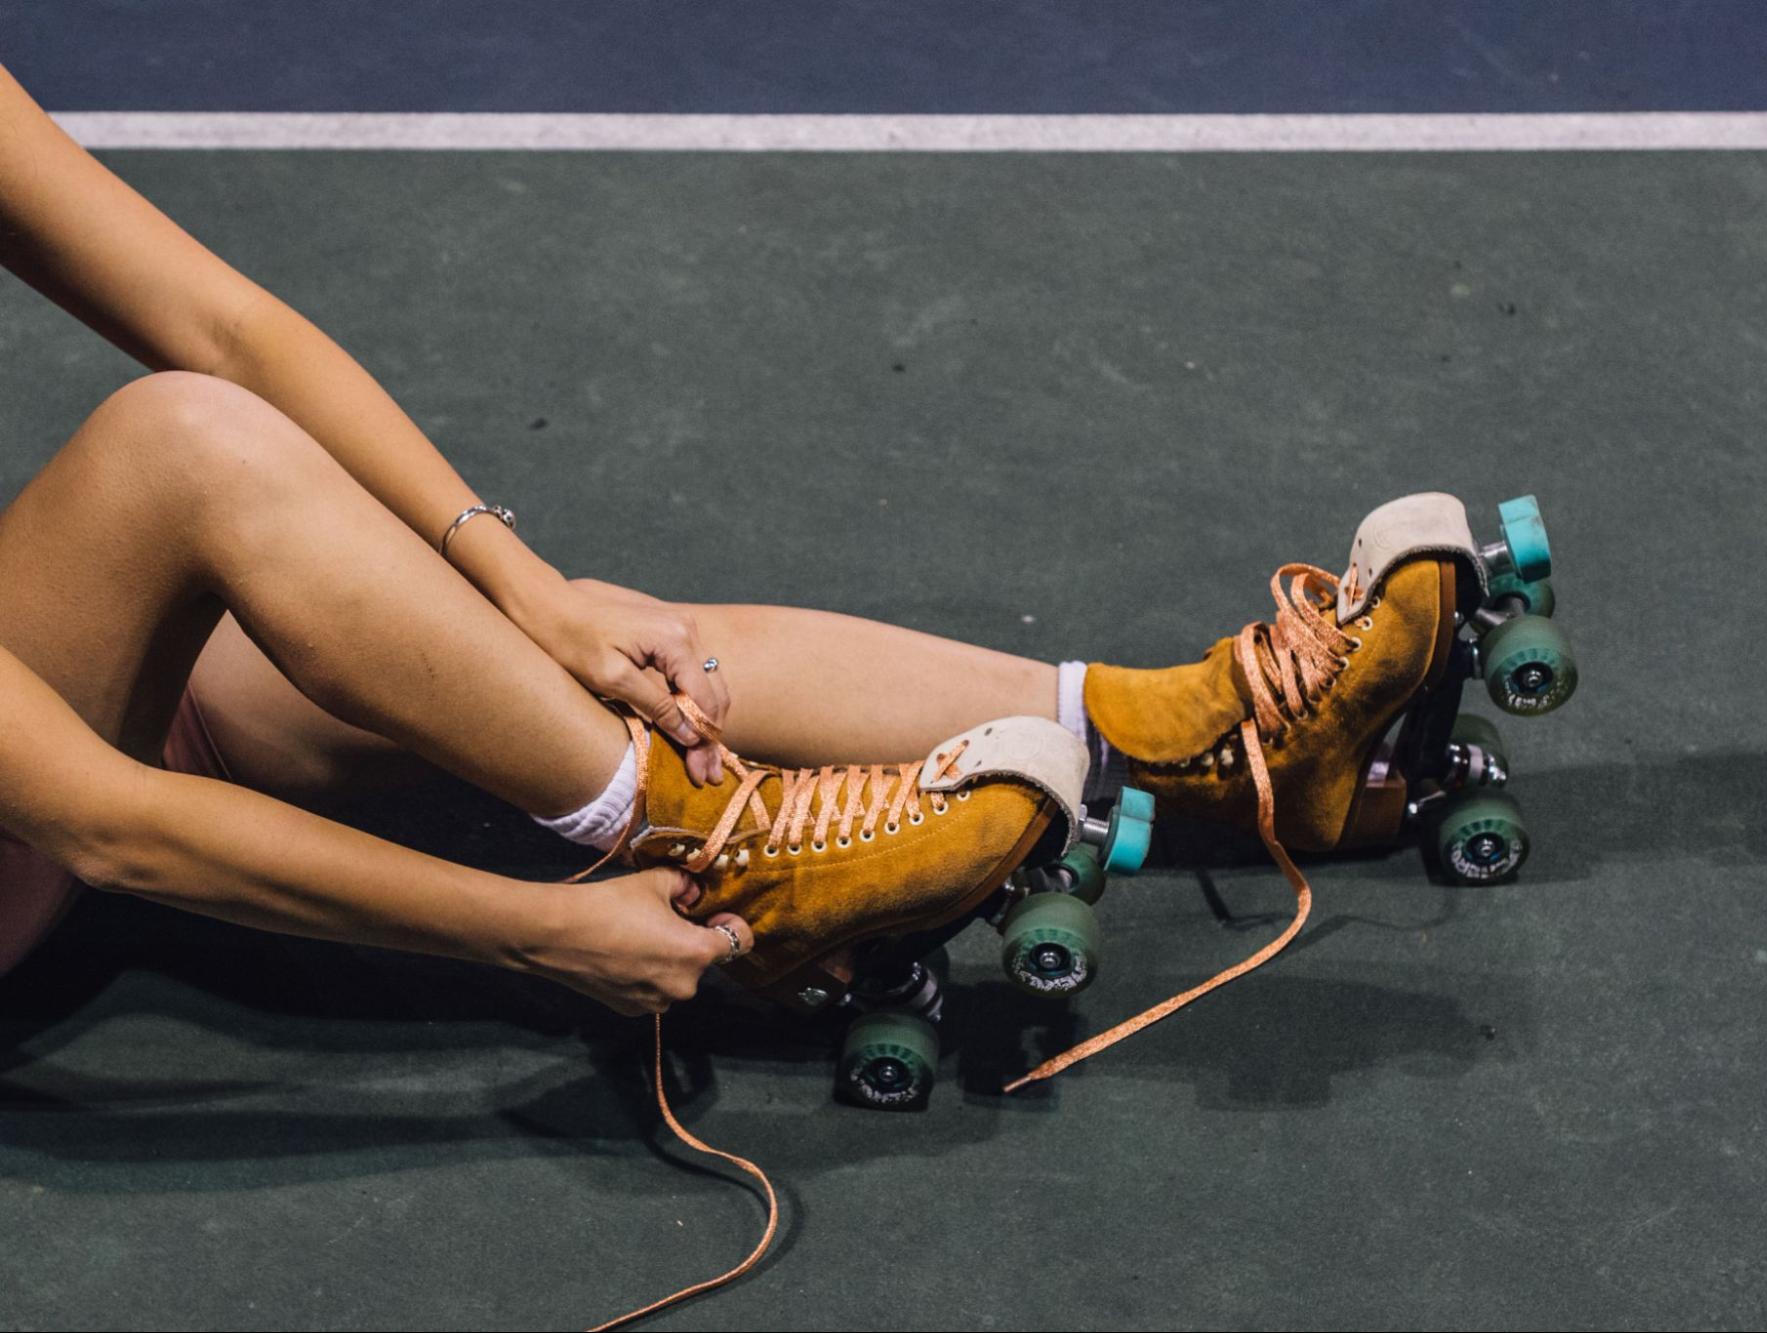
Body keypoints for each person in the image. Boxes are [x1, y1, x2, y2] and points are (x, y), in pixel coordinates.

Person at [0, 56, 1473, 1063]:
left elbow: (227, 326)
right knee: (182, 450)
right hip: (39, 800)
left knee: (577, 657)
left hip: (46, 683)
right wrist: (536, 934)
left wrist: (532, 596)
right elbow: (103, 824)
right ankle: (728, 845)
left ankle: (1209, 745)